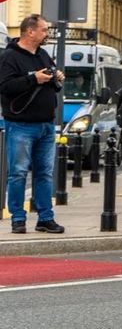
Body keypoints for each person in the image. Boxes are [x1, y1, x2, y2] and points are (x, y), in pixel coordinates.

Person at [0, 14, 66, 234]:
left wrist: (56, 77)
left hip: (46, 124)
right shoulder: (10, 57)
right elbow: (6, 86)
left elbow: (52, 82)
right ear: (30, 31)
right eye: (44, 30)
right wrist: (33, 79)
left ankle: (45, 218)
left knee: (44, 173)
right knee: (18, 173)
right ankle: (18, 218)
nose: (47, 34)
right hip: (20, 125)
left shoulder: (43, 55)